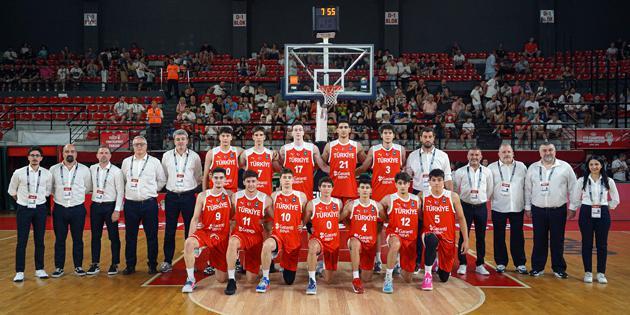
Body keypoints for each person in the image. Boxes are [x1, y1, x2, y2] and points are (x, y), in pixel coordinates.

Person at [356, 123, 406, 272]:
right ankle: (377, 260)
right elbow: (364, 167)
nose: (388, 135)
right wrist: (349, 174)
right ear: (381, 135)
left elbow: (402, 170)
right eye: (385, 133)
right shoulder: (374, 150)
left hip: (395, 196)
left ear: (394, 135)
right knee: (376, 229)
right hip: (378, 195)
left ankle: (396, 261)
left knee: (397, 229)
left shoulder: (400, 150)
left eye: (390, 133)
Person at [525, 142, 579, 278]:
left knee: (558, 240)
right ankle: (537, 267)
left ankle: (559, 268)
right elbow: (527, 190)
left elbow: (574, 188)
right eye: (544, 150)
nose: (547, 153)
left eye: (550, 150)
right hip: (538, 210)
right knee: (539, 240)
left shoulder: (565, 167)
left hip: (558, 210)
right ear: (540, 152)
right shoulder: (532, 168)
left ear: (555, 151)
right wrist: (527, 207)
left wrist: (573, 207)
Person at [405, 127, 451, 269]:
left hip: (437, 195)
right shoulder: (412, 156)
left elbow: (448, 177)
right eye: (425, 136)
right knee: (417, 229)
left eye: (430, 136)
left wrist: (449, 198)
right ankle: (417, 261)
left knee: (437, 230)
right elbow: (408, 176)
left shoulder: (443, 156)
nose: (427, 139)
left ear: (434, 138)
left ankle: (436, 261)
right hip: (418, 193)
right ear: (420, 138)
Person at [120, 136, 167, 275]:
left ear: (146, 146)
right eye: (136, 145)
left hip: (149, 204)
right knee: (130, 236)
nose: (139, 147)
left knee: (152, 236)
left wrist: (152, 191)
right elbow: (123, 180)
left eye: (141, 144)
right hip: (130, 204)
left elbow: (162, 180)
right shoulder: (126, 162)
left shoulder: (154, 162)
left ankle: (152, 265)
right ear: (132, 147)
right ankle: (130, 265)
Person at [256, 168, 308, 293]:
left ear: (293, 180)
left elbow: (306, 213)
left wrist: (303, 223)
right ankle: (265, 279)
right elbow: (269, 212)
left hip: (293, 238)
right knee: (267, 245)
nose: (287, 180)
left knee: (289, 281)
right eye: (284, 178)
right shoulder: (274, 196)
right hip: (278, 235)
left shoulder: (301, 196)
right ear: (280, 180)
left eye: (289, 178)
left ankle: (285, 267)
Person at [182, 168, 233, 293]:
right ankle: (190, 279)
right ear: (211, 178)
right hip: (206, 232)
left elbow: (233, 219)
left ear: (225, 179)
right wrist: (190, 237)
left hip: (222, 236)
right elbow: (194, 219)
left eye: (221, 178)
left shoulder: (230, 195)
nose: (218, 180)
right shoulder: (203, 196)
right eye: (216, 178)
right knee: (189, 243)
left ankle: (217, 263)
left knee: (221, 279)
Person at [160, 129, 203, 272]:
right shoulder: (166, 156)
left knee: (190, 231)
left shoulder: (195, 157)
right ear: (174, 141)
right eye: (177, 139)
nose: (180, 142)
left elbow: (198, 177)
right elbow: (164, 175)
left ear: (187, 141)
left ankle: (191, 262)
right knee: (169, 230)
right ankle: (167, 260)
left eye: (183, 139)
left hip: (189, 196)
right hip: (171, 196)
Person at [224, 170, 273, 295]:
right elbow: (230, 215)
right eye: (248, 181)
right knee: (232, 242)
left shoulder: (265, 200)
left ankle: (255, 267)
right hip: (240, 234)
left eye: (253, 181)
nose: (251, 184)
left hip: (255, 238)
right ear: (244, 182)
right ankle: (231, 280)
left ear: (257, 182)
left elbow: (272, 220)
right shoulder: (236, 197)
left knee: (251, 279)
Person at [8, 146, 53, 282]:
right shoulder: (19, 172)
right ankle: (19, 271)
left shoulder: (47, 174)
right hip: (24, 209)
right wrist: (22, 201)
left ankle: (39, 269)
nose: (34, 158)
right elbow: (12, 191)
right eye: (32, 155)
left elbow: (47, 191)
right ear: (28, 157)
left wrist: (37, 200)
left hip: (40, 209)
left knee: (40, 240)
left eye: (37, 155)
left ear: (41, 158)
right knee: (22, 241)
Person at [419, 169, 469, 290]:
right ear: (429, 182)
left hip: (447, 236)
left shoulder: (452, 196)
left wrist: (466, 240)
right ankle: (427, 275)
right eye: (434, 180)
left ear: (443, 182)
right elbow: (418, 215)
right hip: (429, 233)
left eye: (439, 180)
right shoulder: (422, 195)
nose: (436, 183)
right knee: (431, 240)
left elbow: (461, 218)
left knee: (444, 277)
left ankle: (437, 262)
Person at [574, 156, 620, 284]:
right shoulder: (581, 180)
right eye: (591, 164)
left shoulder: (609, 180)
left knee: (602, 244)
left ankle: (601, 273)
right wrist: (579, 207)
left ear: (601, 165)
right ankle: (588, 272)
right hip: (586, 212)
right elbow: (575, 198)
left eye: (596, 164)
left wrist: (606, 206)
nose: (594, 167)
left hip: (603, 212)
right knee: (586, 243)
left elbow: (616, 199)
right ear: (588, 166)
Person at [49, 144, 92, 277]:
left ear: (76, 154)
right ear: (62, 153)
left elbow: (87, 187)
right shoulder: (54, 169)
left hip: (77, 208)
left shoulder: (85, 170)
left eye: (72, 151)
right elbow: (50, 188)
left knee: (78, 239)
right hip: (59, 208)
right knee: (60, 239)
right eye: (67, 151)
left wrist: (75, 196)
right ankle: (59, 267)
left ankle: (78, 266)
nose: (70, 153)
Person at [339, 177, 385, 294]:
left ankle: (360, 269)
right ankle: (355, 278)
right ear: (358, 190)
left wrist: (376, 231)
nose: (365, 190)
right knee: (355, 243)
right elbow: (339, 219)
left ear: (371, 191)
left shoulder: (377, 206)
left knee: (367, 278)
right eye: (362, 187)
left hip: (370, 243)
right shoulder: (351, 205)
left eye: (367, 188)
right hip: (355, 239)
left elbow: (385, 220)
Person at [488, 144, 528, 274]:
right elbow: (488, 187)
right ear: (498, 154)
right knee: (498, 235)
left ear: (513, 153)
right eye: (503, 152)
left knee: (518, 236)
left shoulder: (521, 167)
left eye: (509, 151)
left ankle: (520, 263)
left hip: (517, 206)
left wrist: (527, 205)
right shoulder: (491, 168)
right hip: (498, 206)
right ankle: (500, 262)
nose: (506, 154)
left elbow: (526, 187)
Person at [453, 148, 493, 275]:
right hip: (465, 206)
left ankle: (480, 264)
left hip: (481, 206)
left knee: (481, 237)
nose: (474, 157)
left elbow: (490, 189)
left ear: (481, 156)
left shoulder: (487, 172)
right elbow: (455, 189)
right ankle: (463, 263)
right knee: (463, 236)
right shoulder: (460, 171)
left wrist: (482, 199)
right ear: (467, 156)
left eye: (476, 155)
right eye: (472, 154)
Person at [379, 172, 421, 293]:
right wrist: (386, 220)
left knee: (408, 279)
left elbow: (421, 217)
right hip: (395, 234)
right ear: (396, 184)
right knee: (396, 244)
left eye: (405, 183)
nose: (403, 186)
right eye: (400, 183)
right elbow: (379, 211)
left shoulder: (416, 199)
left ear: (409, 184)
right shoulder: (389, 199)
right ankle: (388, 277)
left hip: (410, 238)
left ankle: (397, 264)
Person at [87, 146, 125, 276]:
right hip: (96, 206)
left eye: (106, 153)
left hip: (110, 206)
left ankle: (115, 263)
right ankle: (95, 263)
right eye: (101, 153)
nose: (103, 155)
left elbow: (120, 192)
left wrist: (117, 210)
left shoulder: (116, 171)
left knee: (113, 236)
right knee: (95, 236)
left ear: (110, 156)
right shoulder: (92, 169)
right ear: (97, 155)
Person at [303, 177, 343, 295]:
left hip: (333, 240)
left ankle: (320, 268)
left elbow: (339, 219)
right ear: (319, 188)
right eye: (324, 186)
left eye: (329, 186)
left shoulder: (338, 203)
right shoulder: (312, 204)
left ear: (332, 188)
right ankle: (312, 281)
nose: (326, 189)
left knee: (328, 280)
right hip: (318, 239)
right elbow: (305, 221)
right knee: (313, 247)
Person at [275, 121, 329, 200]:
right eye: (295, 130)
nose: (298, 132)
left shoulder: (312, 148)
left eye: (300, 130)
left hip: (306, 190)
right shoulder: (284, 149)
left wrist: (337, 171)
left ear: (303, 132)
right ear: (292, 133)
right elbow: (280, 169)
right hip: (289, 191)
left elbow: (323, 167)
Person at [322, 120, 366, 203]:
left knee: (348, 215)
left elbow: (366, 164)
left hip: (350, 188)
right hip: (333, 189)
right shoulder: (329, 146)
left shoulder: (357, 146)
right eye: (341, 127)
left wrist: (355, 172)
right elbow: (321, 164)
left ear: (349, 130)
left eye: (345, 127)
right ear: (337, 130)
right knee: (334, 215)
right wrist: (330, 170)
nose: (343, 129)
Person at [203, 127, 243, 193]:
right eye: (223, 136)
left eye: (227, 136)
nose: (225, 138)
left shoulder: (237, 151)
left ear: (231, 137)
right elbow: (205, 175)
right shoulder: (211, 153)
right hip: (215, 190)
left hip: (232, 191)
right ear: (219, 137)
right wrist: (204, 192)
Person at [240, 126, 277, 196]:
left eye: (261, 135)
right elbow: (241, 166)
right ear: (253, 137)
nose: (258, 137)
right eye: (256, 135)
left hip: (267, 191)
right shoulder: (246, 153)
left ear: (264, 137)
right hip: (251, 192)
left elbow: (276, 170)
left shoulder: (271, 153)